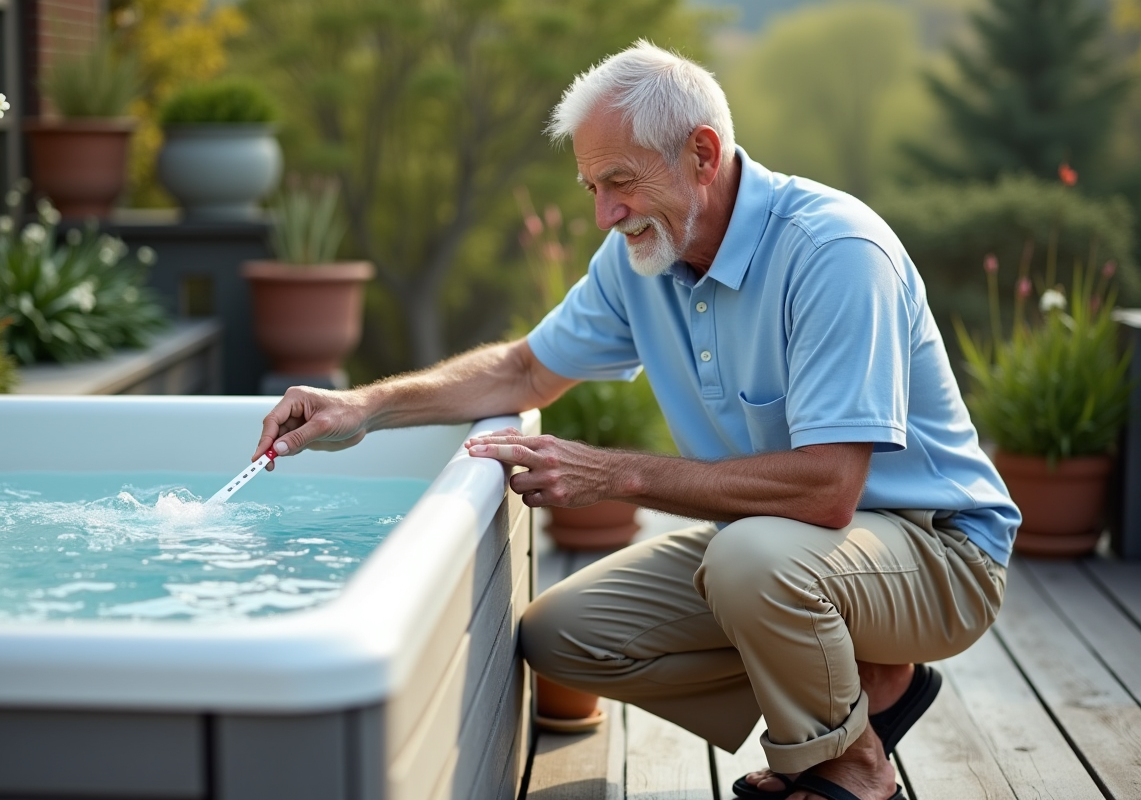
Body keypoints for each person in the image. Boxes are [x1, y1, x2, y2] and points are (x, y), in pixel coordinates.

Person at [252, 40, 1018, 800]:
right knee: (563, 637)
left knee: (752, 562)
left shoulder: (835, 253)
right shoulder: (642, 256)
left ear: (703, 153)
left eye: (620, 181)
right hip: (782, 553)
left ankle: (848, 761)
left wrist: (616, 472)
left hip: (936, 554)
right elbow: (526, 369)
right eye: (591, 186)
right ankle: (867, 682)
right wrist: (366, 405)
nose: (603, 214)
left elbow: (828, 493)